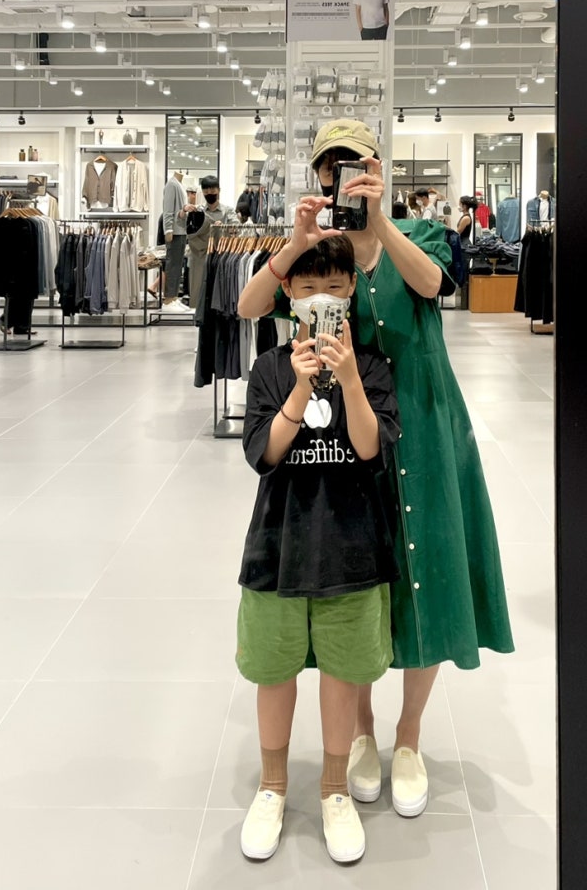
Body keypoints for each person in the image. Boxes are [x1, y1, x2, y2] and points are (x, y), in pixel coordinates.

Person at [237, 117, 513, 821]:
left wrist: (382, 221)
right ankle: (359, 729)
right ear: (319, 176)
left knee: (429, 572)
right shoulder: (320, 248)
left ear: (377, 168)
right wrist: (296, 242)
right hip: (353, 434)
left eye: (355, 162)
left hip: (424, 422)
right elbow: (251, 307)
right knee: (361, 576)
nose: (343, 176)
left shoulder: (417, 233)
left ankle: (409, 735)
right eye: (330, 166)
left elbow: (433, 284)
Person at [237, 235, 401, 863]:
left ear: (351, 290)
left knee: (342, 671)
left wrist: (350, 379)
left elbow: (369, 448)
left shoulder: (374, 366)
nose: (321, 299)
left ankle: (335, 789)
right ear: (288, 295)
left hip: (351, 548)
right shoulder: (269, 368)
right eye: (307, 290)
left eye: (333, 287)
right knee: (273, 670)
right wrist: (301, 390)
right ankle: (272, 786)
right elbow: (264, 454)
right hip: (276, 546)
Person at [186, 175, 239, 310]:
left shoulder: (227, 211)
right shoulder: (198, 212)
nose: (209, 194)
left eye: (213, 191)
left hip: (221, 255)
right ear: (202, 192)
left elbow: (236, 227)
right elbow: (185, 227)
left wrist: (224, 227)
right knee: (199, 291)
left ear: (218, 190)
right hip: (200, 256)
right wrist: (183, 210)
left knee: (219, 291)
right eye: (206, 191)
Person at [161, 170, 193, 312]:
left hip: (181, 230)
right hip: (174, 231)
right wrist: (168, 229)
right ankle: (168, 300)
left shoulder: (179, 184)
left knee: (177, 265)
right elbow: (168, 209)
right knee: (172, 265)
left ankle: (173, 297)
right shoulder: (171, 185)